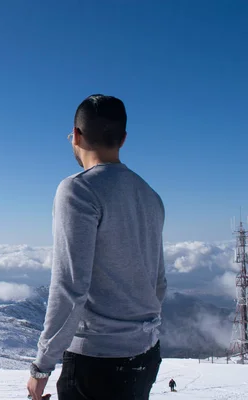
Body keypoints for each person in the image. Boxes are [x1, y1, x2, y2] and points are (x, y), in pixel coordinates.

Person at [27, 94, 167, 400]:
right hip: (146, 356)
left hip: (96, 362)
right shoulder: (150, 196)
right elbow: (159, 282)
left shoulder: (79, 189)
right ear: (123, 139)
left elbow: (70, 287)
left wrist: (41, 368)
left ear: (76, 136)